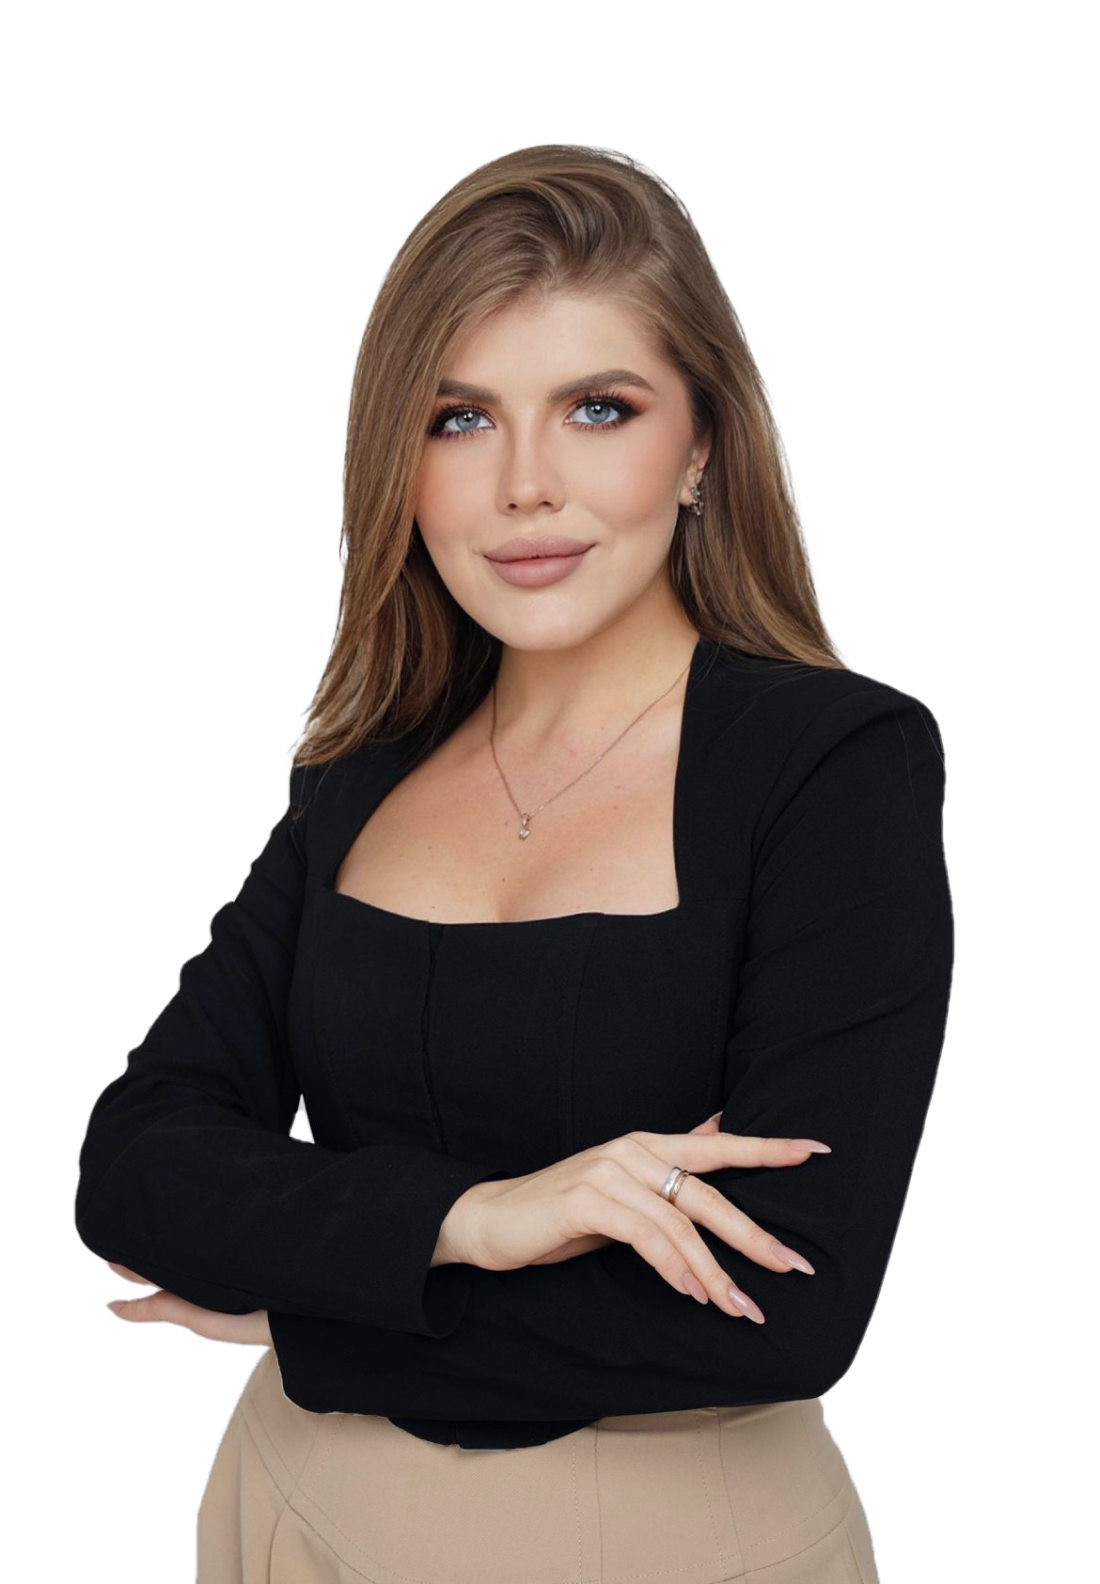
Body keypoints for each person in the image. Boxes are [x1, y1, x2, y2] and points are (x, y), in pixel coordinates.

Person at [73, 141, 954, 1581]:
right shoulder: (360, 770)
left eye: (599, 408)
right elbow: (133, 1170)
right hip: (286, 1507)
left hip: (655, 1542)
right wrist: (478, 1220)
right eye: (461, 417)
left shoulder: (835, 764)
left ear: (703, 446)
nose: (525, 486)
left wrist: (317, 1307)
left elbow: (789, 1307)